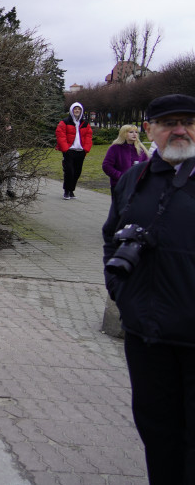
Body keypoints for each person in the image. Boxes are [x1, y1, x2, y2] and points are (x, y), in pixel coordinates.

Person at [102, 93, 195, 484]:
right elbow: (110, 237)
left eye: (188, 122)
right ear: (149, 130)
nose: (180, 130)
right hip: (146, 335)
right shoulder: (133, 180)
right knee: (157, 432)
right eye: (169, 123)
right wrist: (120, 294)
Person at [55, 101, 92, 199]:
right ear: (72, 110)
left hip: (80, 152)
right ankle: (66, 191)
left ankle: (71, 191)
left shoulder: (85, 123)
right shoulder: (65, 122)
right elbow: (60, 135)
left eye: (79, 109)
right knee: (69, 171)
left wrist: (86, 150)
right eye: (75, 109)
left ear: (81, 111)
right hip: (69, 151)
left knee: (77, 172)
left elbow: (89, 136)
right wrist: (65, 149)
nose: (77, 111)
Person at [102, 124, 150, 189]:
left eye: (136, 132)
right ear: (124, 134)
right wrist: (121, 176)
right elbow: (106, 166)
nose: (134, 134)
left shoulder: (141, 149)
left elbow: (146, 166)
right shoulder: (115, 148)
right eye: (131, 132)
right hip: (119, 185)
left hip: (136, 185)